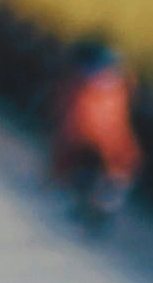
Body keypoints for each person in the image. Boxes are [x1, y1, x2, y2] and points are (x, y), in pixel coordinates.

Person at [48, 37, 140, 226]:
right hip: (94, 142)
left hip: (93, 142)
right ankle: (99, 199)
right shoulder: (105, 87)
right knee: (119, 164)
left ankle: (98, 198)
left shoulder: (84, 84)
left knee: (119, 163)